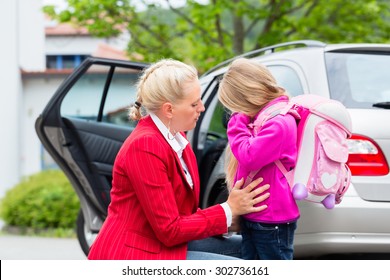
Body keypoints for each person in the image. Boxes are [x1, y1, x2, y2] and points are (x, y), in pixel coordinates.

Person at [87, 58, 270, 260]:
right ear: (169, 110)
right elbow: (170, 229)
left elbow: (182, 216)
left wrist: (229, 219)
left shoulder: (177, 137)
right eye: (194, 103)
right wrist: (227, 209)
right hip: (136, 255)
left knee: (256, 249)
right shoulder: (145, 146)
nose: (202, 108)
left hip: (161, 243)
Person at [217, 58, 300, 260]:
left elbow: (249, 157)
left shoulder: (280, 122)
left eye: (235, 106)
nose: (234, 113)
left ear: (245, 99)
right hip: (258, 213)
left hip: (272, 219)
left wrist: (236, 121)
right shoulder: (263, 120)